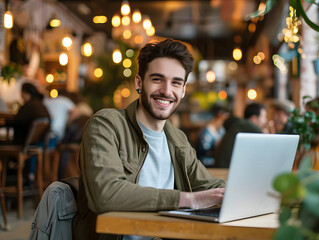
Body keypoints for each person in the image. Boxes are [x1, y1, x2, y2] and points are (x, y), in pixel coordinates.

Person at [72, 39, 226, 240]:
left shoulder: (176, 138)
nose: (167, 90)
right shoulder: (106, 125)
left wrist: (242, 193)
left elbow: (207, 186)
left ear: (183, 90)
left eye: (176, 82)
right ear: (139, 82)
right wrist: (188, 200)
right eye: (157, 79)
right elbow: (106, 194)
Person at [4, 82, 50, 186]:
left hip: (22, 145)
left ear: (25, 93)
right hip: (36, 145)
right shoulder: (41, 105)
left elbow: (16, 121)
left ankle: (5, 180)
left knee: (3, 144)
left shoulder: (28, 107)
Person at [214, 102, 267, 168]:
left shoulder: (240, 126)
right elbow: (266, 143)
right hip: (224, 171)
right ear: (254, 118)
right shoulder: (246, 126)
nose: (265, 121)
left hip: (224, 169)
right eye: (264, 117)